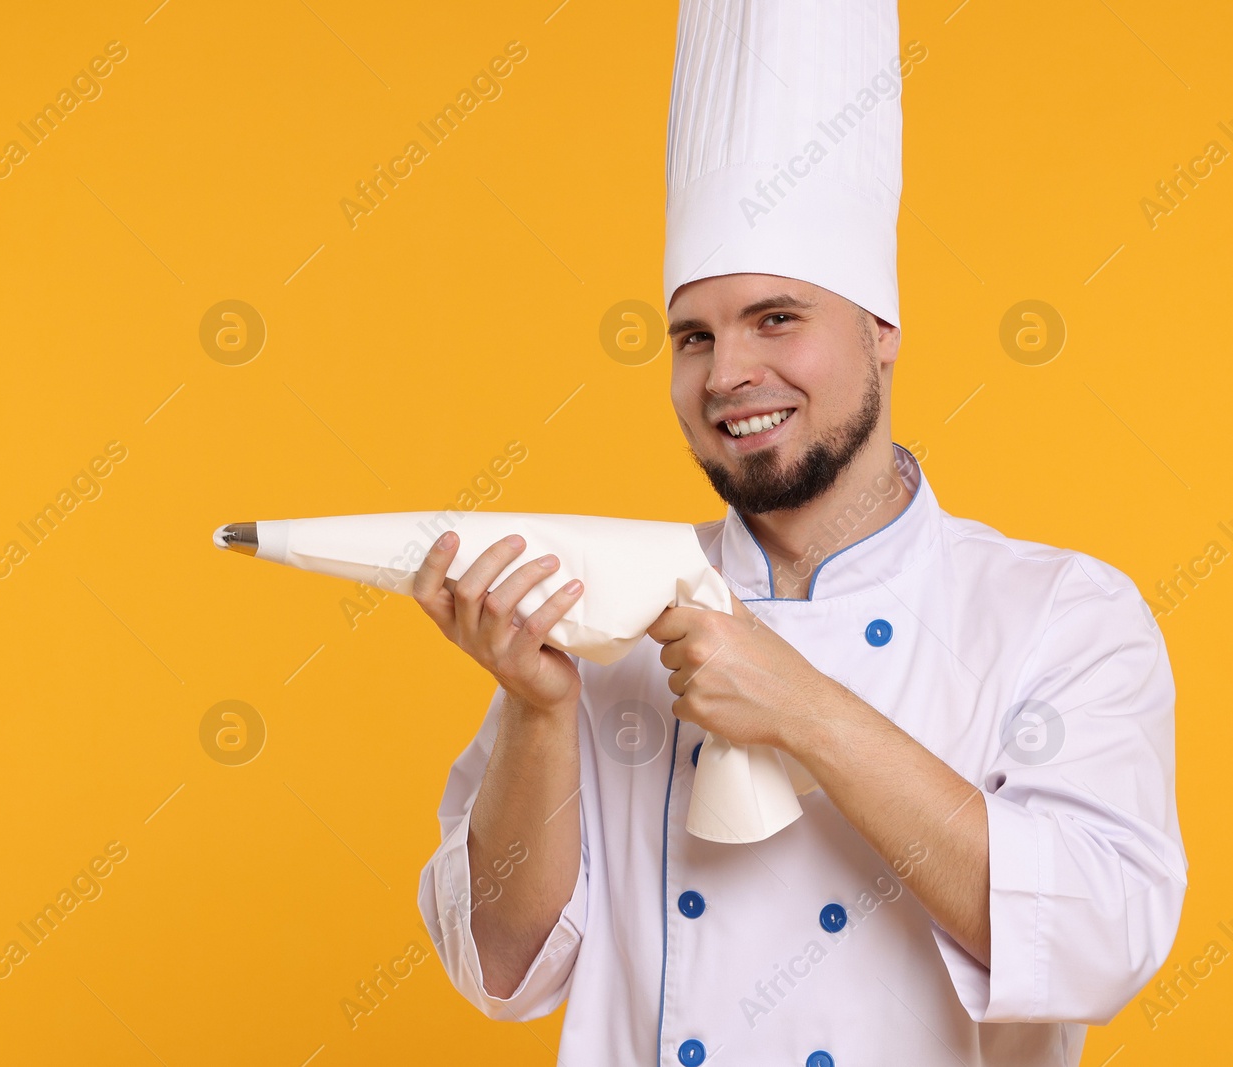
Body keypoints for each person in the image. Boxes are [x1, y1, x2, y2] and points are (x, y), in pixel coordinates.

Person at [413, 0, 1186, 1063]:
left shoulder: (1059, 615)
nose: (728, 373)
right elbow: (499, 966)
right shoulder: (609, 613)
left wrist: (810, 712)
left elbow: (1099, 943)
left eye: (776, 318)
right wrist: (540, 711)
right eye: (694, 336)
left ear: (880, 331)